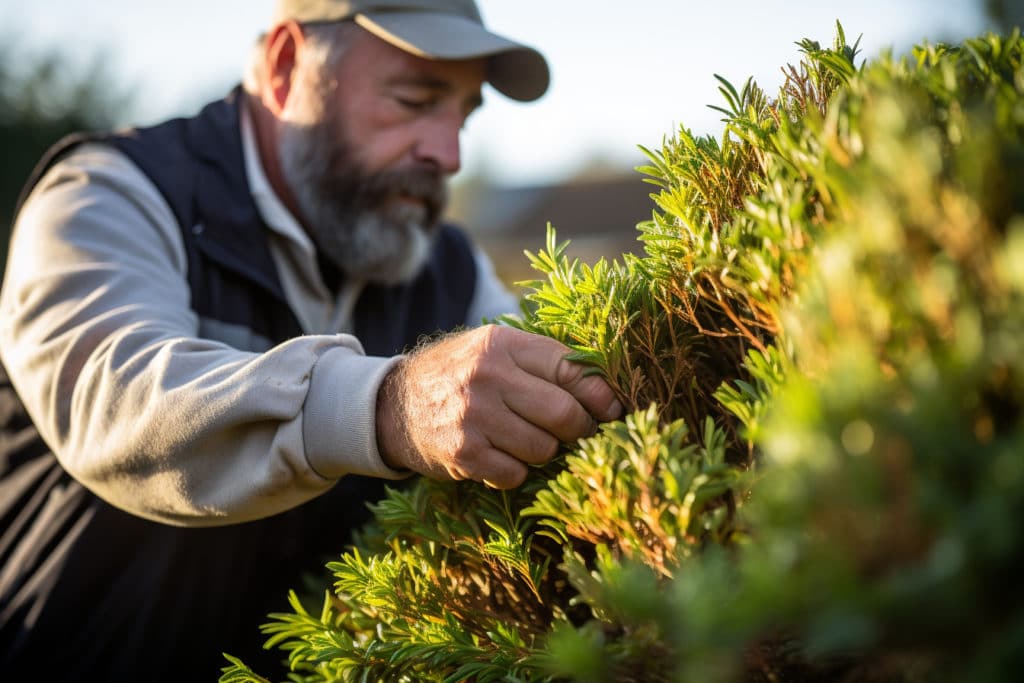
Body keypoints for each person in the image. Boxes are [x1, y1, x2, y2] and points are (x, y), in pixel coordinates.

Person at [0, 1, 622, 679]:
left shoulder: (451, 269)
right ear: (287, 64)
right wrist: (389, 404)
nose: (448, 154)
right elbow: (112, 397)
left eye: (464, 116)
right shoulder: (109, 195)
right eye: (415, 100)